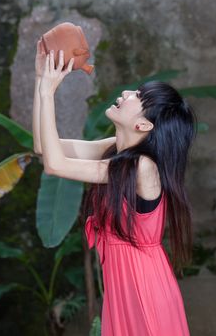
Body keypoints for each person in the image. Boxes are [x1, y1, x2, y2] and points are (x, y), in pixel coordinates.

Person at [33, 41, 197, 335]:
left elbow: (55, 166)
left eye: (138, 97)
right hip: (121, 289)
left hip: (145, 289)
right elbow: (44, 148)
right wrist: (39, 82)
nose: (126, 93)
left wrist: (49, 92)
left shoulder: (144, 167)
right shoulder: (115, 150)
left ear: (144, 126)